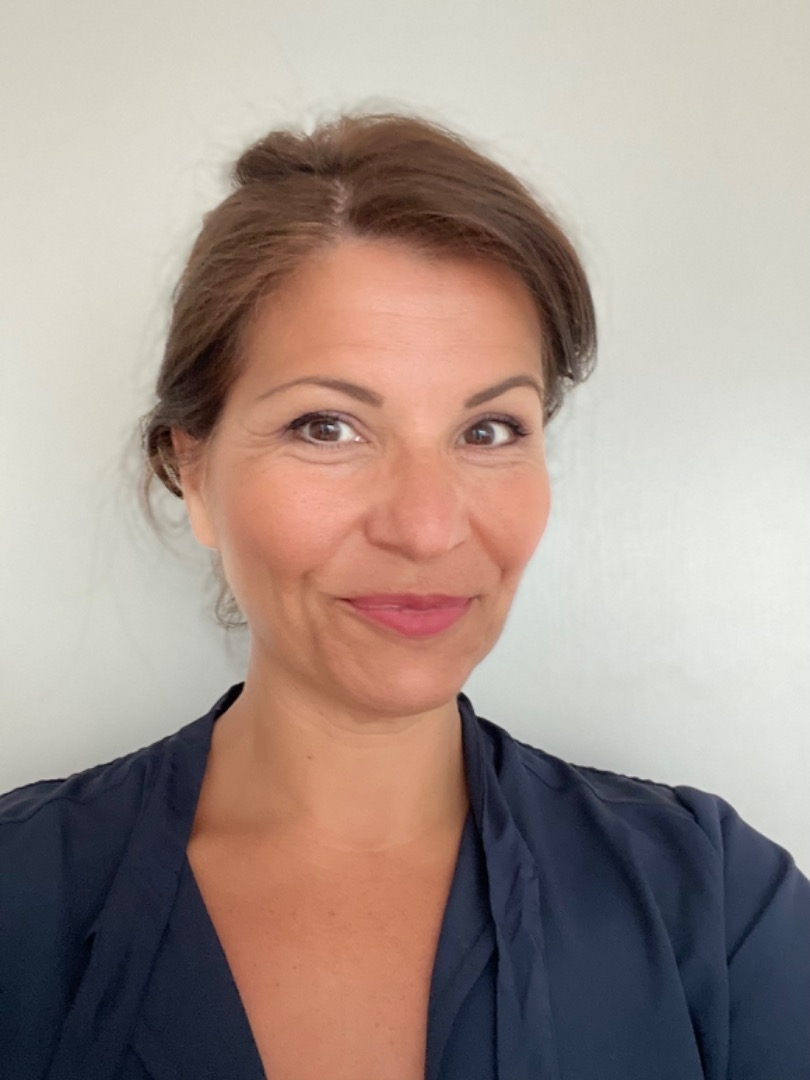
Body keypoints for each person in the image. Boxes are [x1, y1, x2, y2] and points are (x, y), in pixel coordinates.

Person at [1, 112, 808, 1080]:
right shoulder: (20, 900)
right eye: (327, 427)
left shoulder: (715, 907)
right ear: (196, 473)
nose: (427, 528)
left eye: (489, 430)